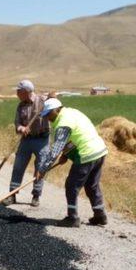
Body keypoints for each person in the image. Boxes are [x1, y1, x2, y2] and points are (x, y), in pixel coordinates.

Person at [36, 97, 109, 227]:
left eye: (48, 114)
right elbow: (76, 135)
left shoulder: (63, 123)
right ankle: (100, 215)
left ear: (56, 110)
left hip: (86, 154)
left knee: (71, 185)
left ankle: (72, 218)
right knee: (92, 185)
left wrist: (42, 169)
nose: (47, 118)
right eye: (45, 115)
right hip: (99, 151)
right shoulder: (71, 112)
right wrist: (66, 154)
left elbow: (55, 150)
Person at [6, 80, 50, 207]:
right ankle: (12, 195)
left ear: (26, 92)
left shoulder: (42, 101)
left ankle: (36, 195)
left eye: (18, 91)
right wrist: (21, 128)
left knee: (41, 167)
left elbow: (55, 103)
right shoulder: (20, 106)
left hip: (42, 140)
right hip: (26, 139)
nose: (16, 93)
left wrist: (52, 96)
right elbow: (17, 123)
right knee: (18, 166)